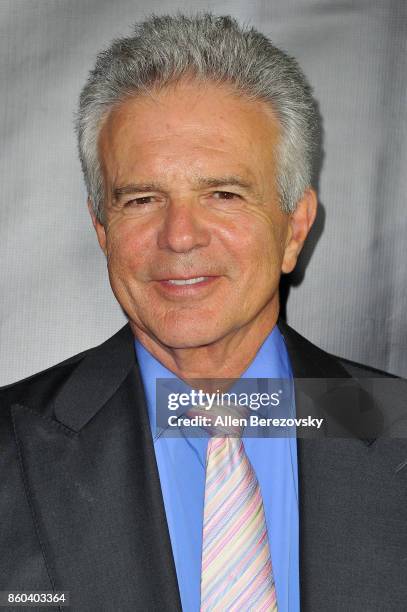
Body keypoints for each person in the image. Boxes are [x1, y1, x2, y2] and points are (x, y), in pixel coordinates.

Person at [1, 13, 406, 612]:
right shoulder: (12, 451)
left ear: (295, 227)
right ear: (102, 228)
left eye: (223, 194)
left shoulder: (395, 427)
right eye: (142, 199)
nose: (180, 235)